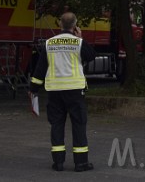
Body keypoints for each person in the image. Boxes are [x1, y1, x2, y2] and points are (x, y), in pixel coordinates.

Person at [30, 12, 96, 172]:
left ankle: (58, 162)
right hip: (74, 91)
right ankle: (81, 163)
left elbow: (40, 69)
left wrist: (33, 89)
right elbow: (91, 56)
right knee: (79, 125)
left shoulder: (49, 43)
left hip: (55, 91)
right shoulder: (78, 42)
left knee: (57, 125)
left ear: (60, 24)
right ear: (75, 25)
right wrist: (81, 37)